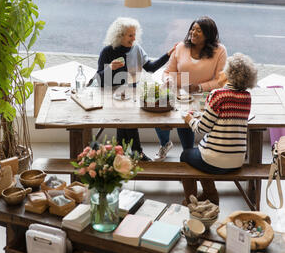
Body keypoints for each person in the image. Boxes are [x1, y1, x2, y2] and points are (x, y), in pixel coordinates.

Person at [180, 52, 258, 205]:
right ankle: (210, 195)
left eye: (224, 70)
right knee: (202, 153)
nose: (220, 73)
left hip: (215, 161)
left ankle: (192, 201)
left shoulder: (218, 95)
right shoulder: (247, 97)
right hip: (237, 160)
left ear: (230, 75)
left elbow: (201, 129)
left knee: (186, 155)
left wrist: (188, 119)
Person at [97, 17, 176, 161]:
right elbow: (100, 81)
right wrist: (110, 68)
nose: (134, 38)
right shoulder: (107, 52)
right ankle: (135, 152)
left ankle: (122, 152)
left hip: (131, 94)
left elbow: (151, 68)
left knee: (126, 120)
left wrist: (168, 55)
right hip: (111, 95)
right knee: (126, 119)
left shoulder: (137, 49)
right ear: (120, 35)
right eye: (130, 35)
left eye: (134, 34)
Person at [154, 16, 227, 161]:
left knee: (185, 119)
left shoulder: (220, 50)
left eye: (198, 30)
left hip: (201, 95)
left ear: (208, 34)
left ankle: (188, 154)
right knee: (159, 112)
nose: (193, 33)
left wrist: (199, 87)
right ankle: (165, 144)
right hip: (178, 91)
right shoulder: (181, 47)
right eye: (192, 29)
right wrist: (168, 80)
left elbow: (221, 81)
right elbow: (168, 72)